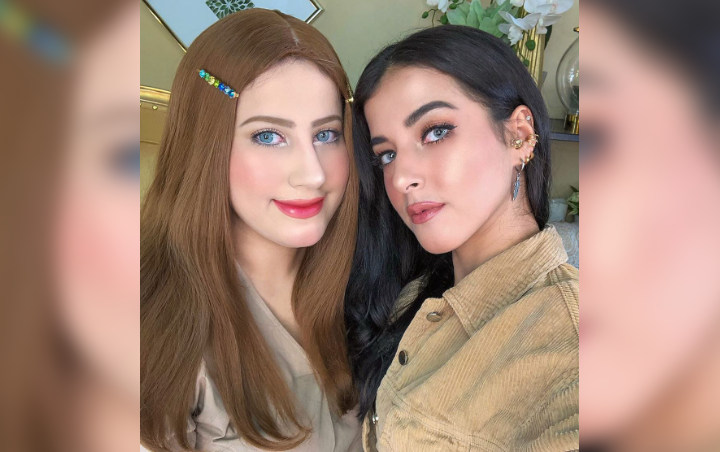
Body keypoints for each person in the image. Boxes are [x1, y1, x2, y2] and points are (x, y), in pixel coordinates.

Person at [345, 25, 579, 451]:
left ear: (519, 135)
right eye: (387, 154)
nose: (401, 178)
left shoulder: (577, 347)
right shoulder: (412, 295)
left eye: (435, 131)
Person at [140, 9, 361, 451]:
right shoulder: (150, 329)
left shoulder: (374, 283)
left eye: (326, 134)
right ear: (207, 144)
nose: (313, 174)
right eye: (268, 136)